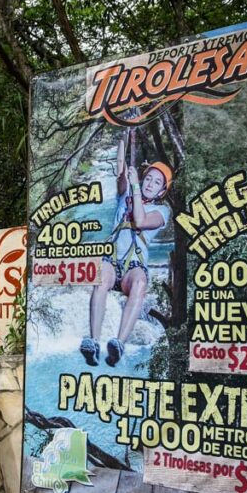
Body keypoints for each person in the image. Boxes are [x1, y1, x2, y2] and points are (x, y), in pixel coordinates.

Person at [80, 137, 172, 367]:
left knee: (140, 284)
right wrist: (125, 135)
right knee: (101, 278)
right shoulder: (125, 194)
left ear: (162, 190)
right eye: (148, 177)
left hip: (133, 267)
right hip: (111, 259)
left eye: (156, 182)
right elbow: (121, 173)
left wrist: (137, 187)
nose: (150, 183)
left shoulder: (161, 211)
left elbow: (140, 220)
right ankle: (93, 341)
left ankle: (119, 343)